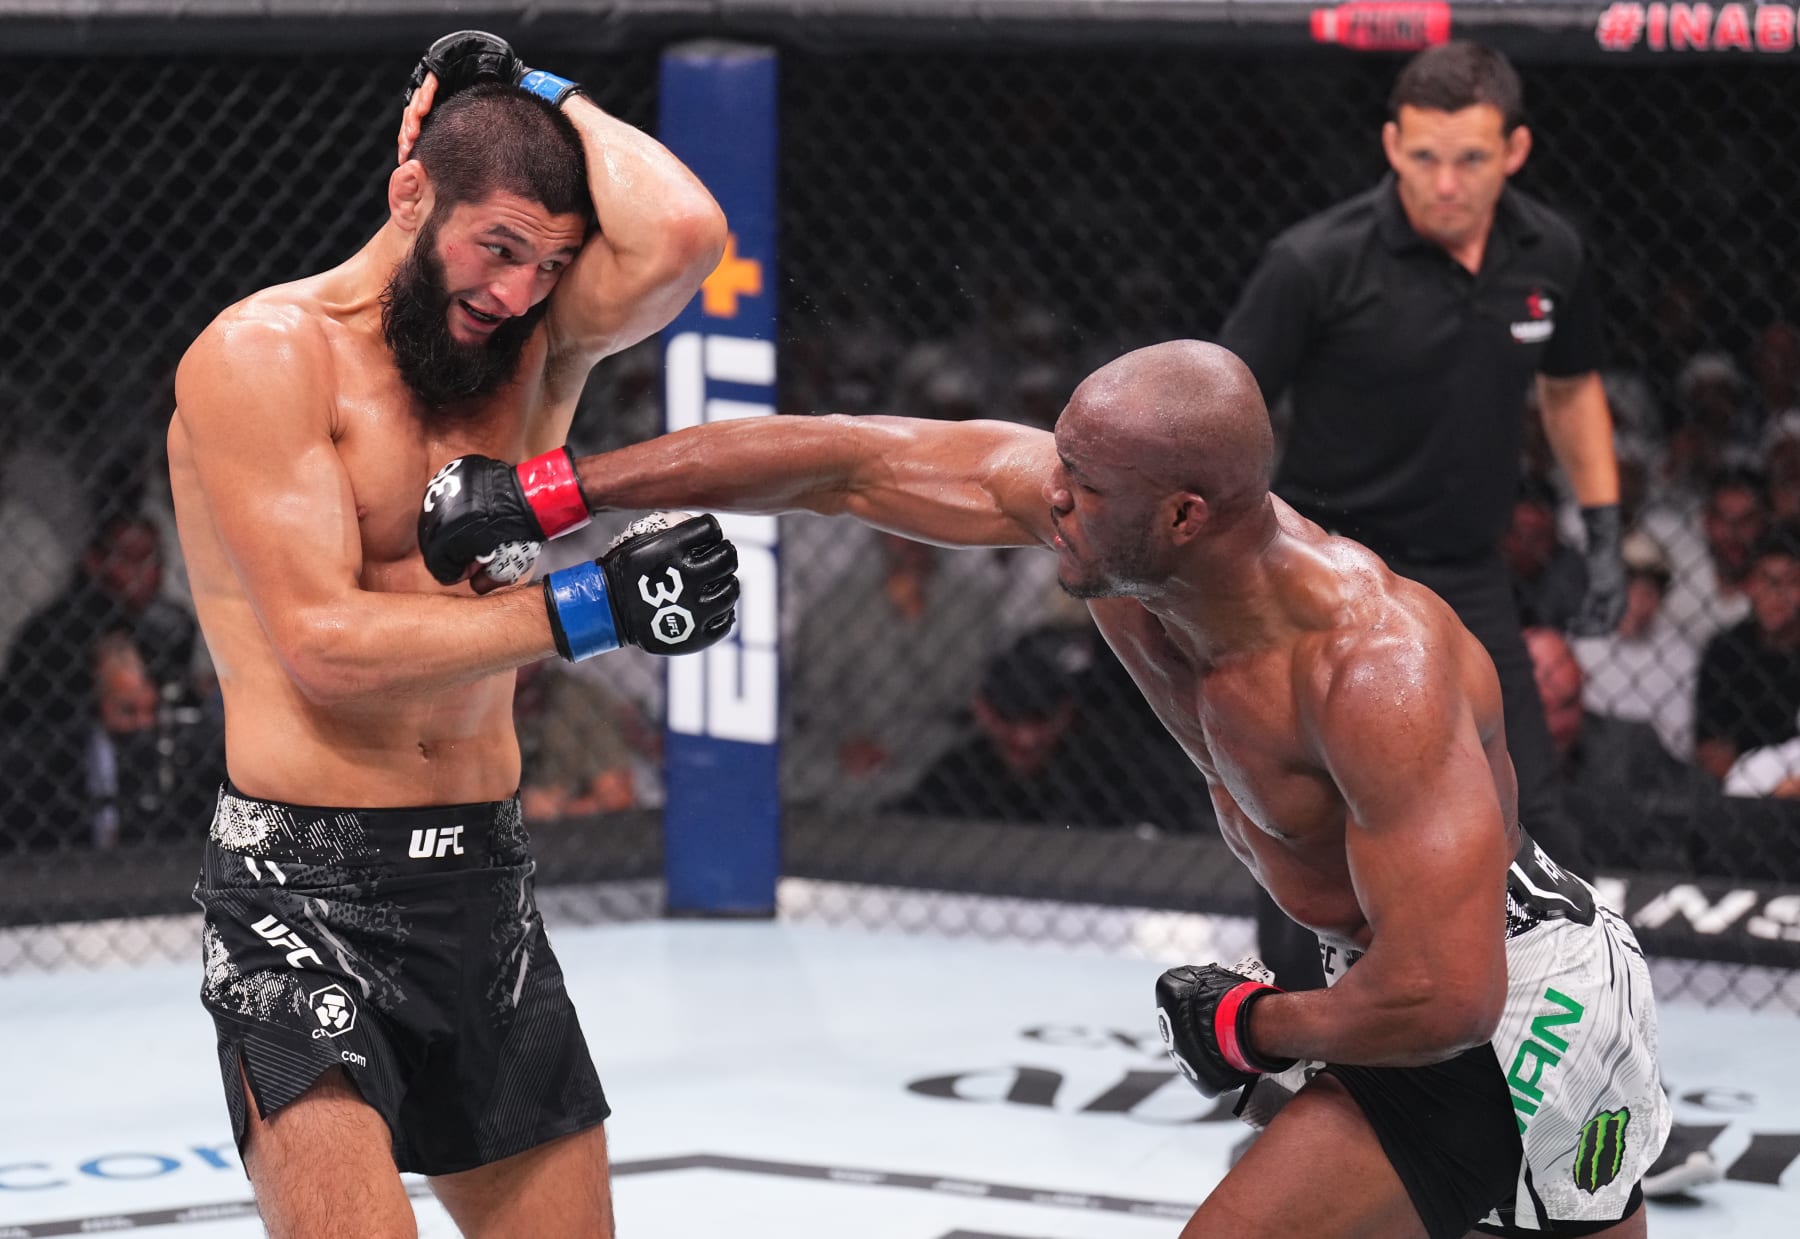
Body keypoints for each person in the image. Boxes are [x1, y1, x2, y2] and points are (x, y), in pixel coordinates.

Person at [421, 339, 1669, 1238]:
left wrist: (1251, 1025)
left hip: (1507, 1013)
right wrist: (556, 492)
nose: (1046, 498)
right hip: (1416, 979)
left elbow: (1450, 994)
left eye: (1080, 487)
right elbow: (845, 465)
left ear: (1183, 515)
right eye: (1058, 464)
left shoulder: (1370, 671)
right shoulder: (1111, 534)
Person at [167, 31, 740, 1239]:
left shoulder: (525, 356)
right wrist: (590, 606)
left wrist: (529, 85)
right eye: (499, 248)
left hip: (482, 873)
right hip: (298, 888)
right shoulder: (265, 353)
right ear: (411, 189)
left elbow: (685, 233)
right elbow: (322, 644)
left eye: (553, 264)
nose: (520, 293)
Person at [1215, 42, 1624, 986]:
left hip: (1468, 572)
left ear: (1514, 150)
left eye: (1471, 159)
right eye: (1426, 157)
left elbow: (1569, 392)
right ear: (1392, 145)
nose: (1447, 182)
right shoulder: (1314, 262)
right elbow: (1223, 407)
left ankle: (1571, 1025)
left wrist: (1601, 531)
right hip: (1325, 577)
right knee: (1310, 817)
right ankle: (1291, 1040)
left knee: (1528, 803)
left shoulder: (1549, 254)